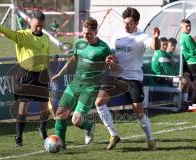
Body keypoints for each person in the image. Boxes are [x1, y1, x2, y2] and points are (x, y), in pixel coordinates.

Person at [94, 7, 160, 150]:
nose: (126, 25)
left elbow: (155, 47)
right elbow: (112, 54)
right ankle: (113, 135)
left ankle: (150, 139)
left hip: (133, 78)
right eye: (124, 22)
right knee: (99, 102)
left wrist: (155, 38)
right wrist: (110, 59)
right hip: (115, 77)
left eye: (129, 23)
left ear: (136, 23)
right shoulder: (117, 35)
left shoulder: (142, 37)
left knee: (138, 112)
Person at [0, 11, 51, 146]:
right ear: (30, 22)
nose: (38, 28)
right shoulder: (23, 35)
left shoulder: (46, 38)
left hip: (42, 75)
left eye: (41, 26)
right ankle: (19, 137)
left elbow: (46, 55)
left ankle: (42, 129)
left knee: (45, 108)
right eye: (36, 25)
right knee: (23, 109)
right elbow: (11, 34)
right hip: (25, 75)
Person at [51, 17, 113, 149]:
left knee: (76, 120)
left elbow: (113, 64)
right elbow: (73, 59)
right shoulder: (79, 43)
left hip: (90, 87)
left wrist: (111, 63)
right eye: (84, 33)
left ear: (96, 31)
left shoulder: (103, 48)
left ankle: (90, 126)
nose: (86, 36)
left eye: (89, 34)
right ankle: (60, 144)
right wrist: (60, 74)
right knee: (60, 113)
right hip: (75, 84)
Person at [180, 19, 196, 109]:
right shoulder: (187, 37)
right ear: (181, 26)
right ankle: (194, 103)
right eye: (186, 26)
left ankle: (188, 102)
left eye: (190, 26)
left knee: (191, 83)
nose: (189, 28)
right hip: (193, 62)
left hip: (188, 63)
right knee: (194, 83)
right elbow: (194, 51)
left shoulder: (181, 36)